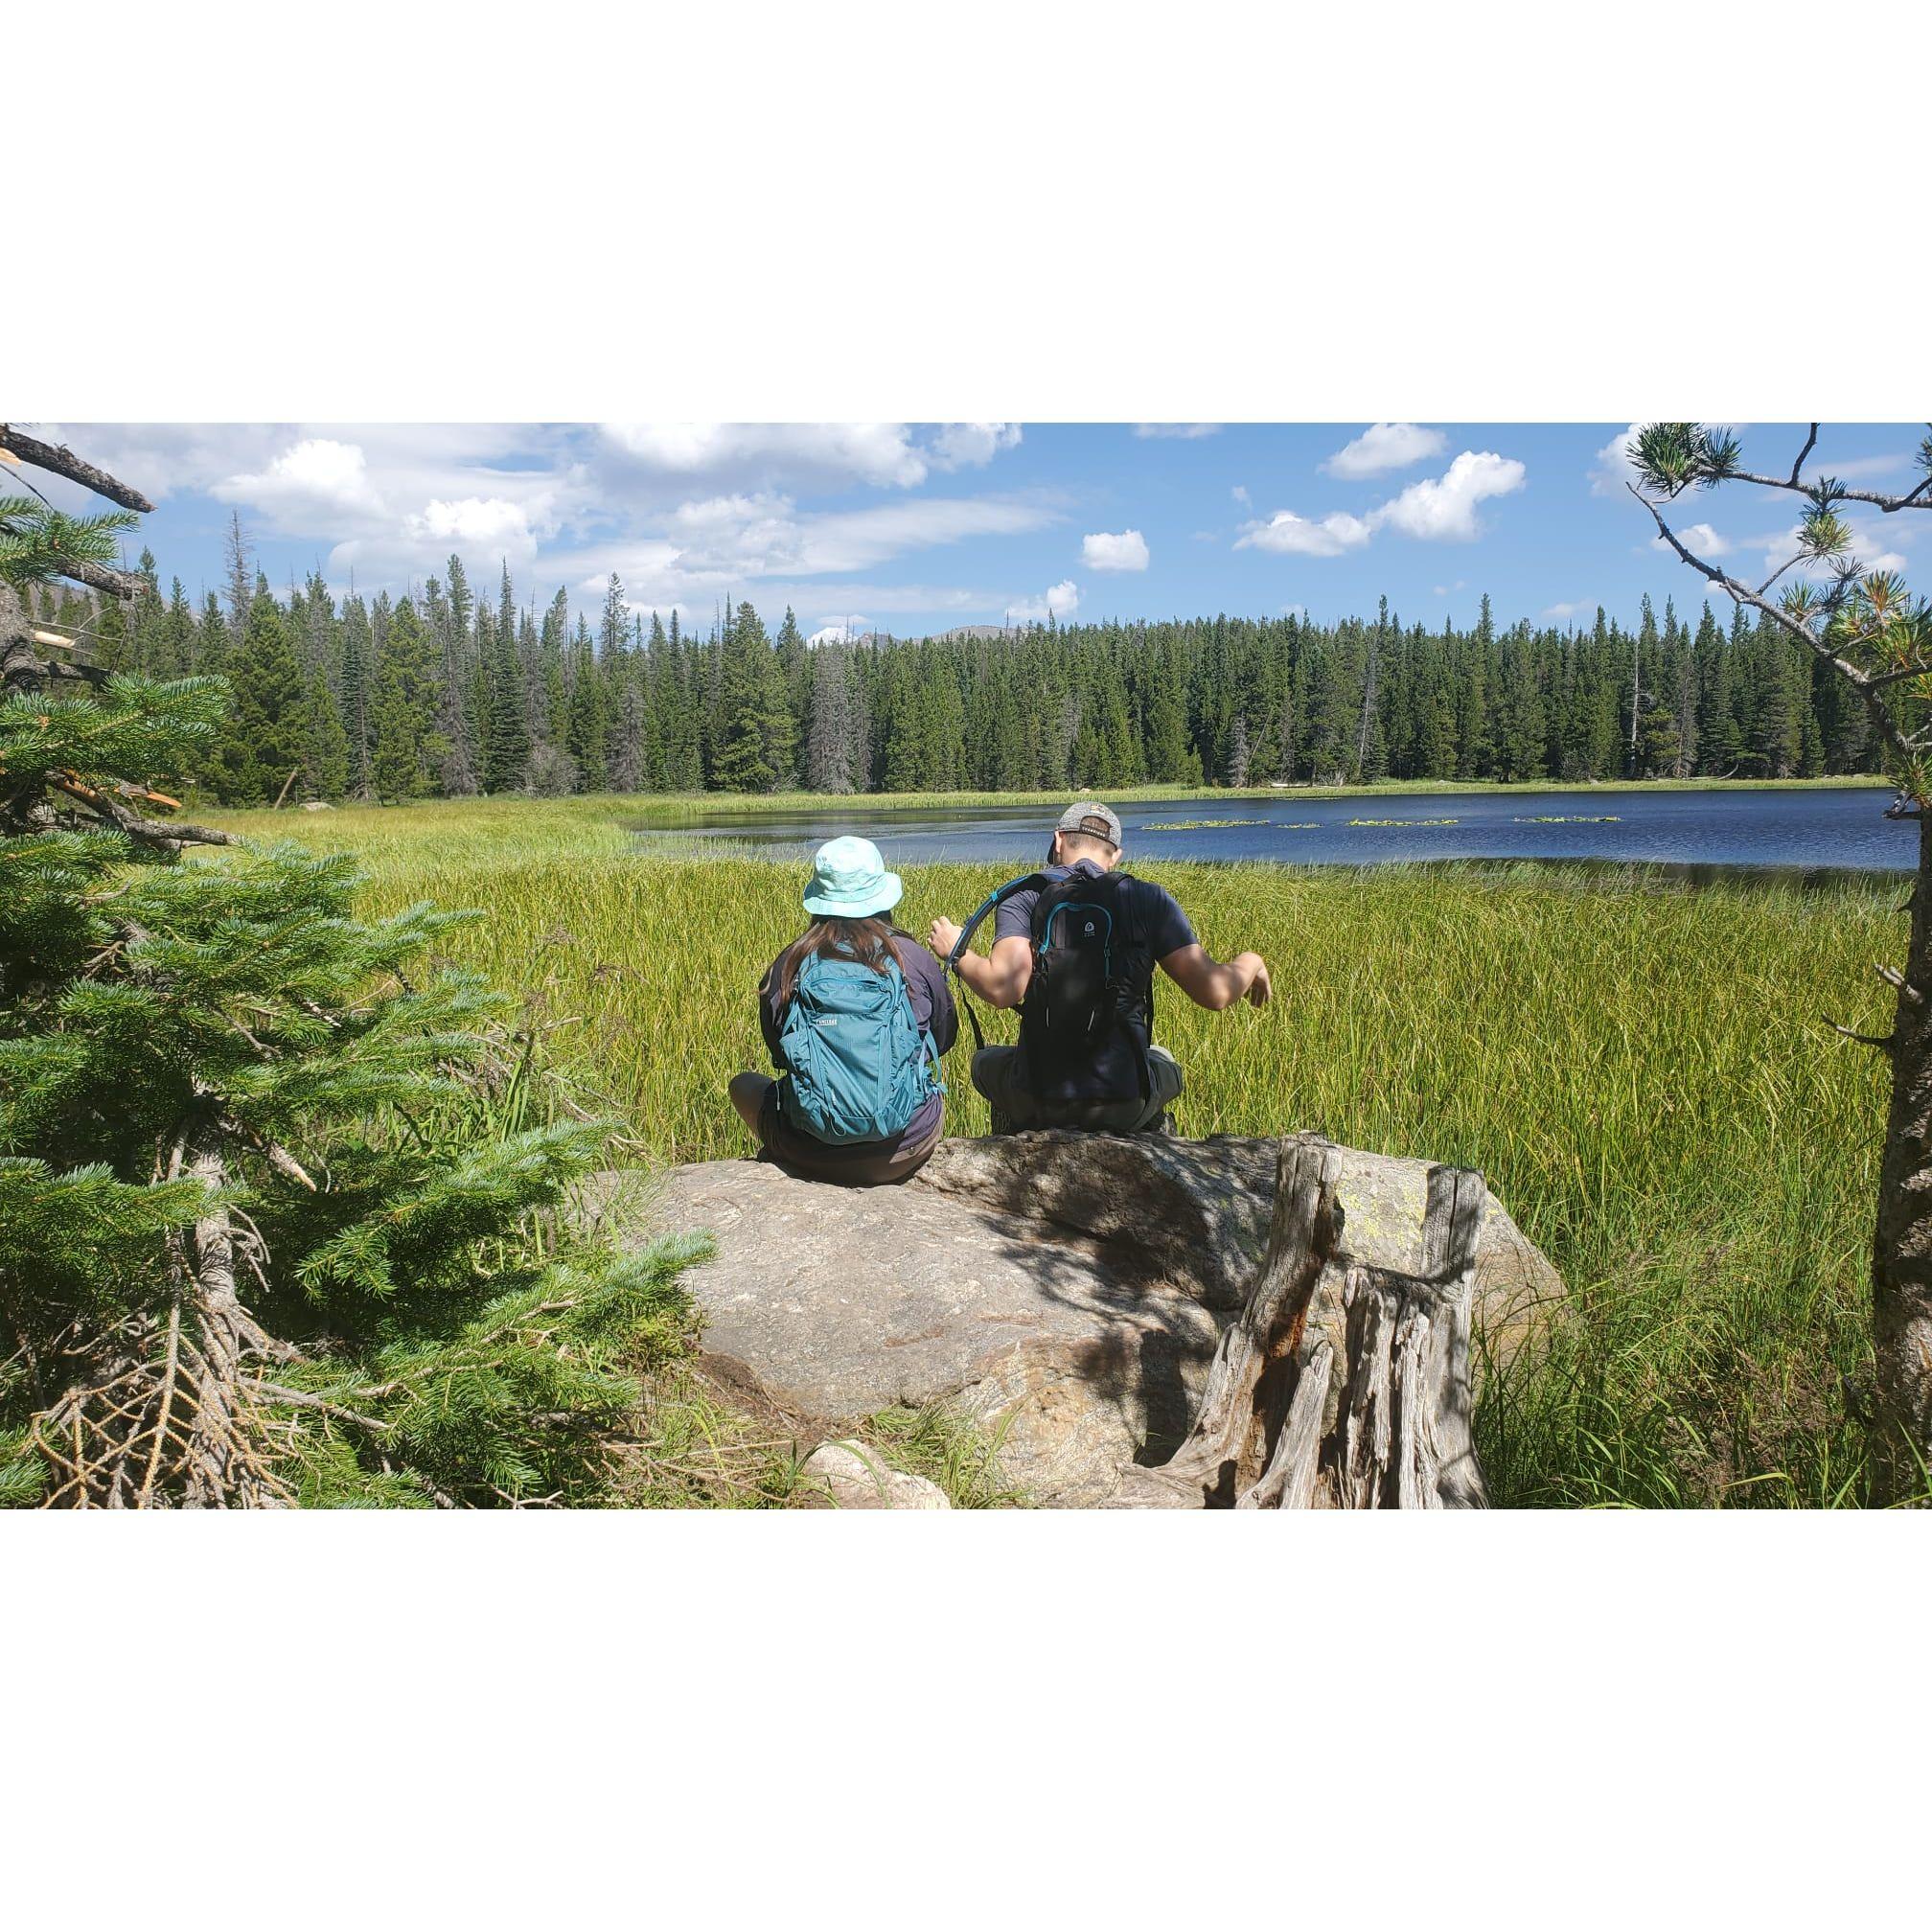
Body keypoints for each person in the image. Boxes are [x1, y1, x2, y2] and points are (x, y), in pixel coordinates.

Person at [928, 801, 1270, 1135]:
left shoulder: (1026, 894)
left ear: (1058, 840)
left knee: (984, 1063)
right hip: (1123, 1103)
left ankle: (1017, 1134)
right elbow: (1215, 993)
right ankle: (1148, 1133)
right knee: (1162, 1058)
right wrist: (1252, 961)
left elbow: (1003, 989)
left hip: (1036, 1100)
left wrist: (957, 952)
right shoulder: (1148, 899)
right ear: (1116, 855)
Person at [728, 835, 957, 1185]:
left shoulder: (787, 966)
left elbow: (780, 1054)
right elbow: (944, 1039)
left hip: (809, 1150)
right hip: (906, 1147)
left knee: (742, 1085)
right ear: (881, 898)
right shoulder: (912, 957)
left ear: (819, 901)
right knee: (929, 1087)